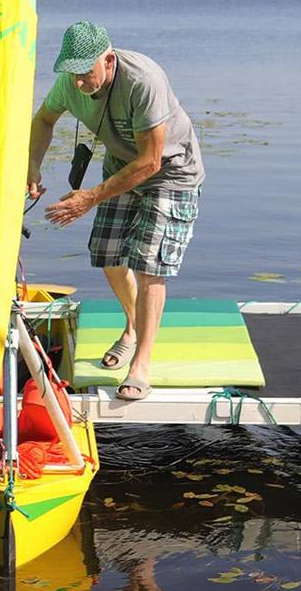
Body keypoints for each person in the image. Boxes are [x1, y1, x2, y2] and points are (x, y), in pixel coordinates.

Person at [27, 20, 204, 402]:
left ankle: (140, 365)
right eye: (71, 73)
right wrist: (33, 167)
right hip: (120, 168)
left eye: (84, 73)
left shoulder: (143, 80)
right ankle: (132, 327)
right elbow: (43, 119)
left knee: (148, 264)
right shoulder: (71, 83)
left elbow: (151, 160)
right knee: (107, 255)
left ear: (108, 60)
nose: (77, 83)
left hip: (170, 172)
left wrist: (89, 198)